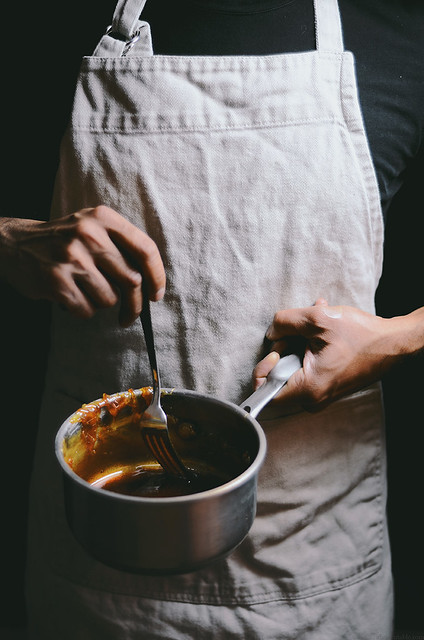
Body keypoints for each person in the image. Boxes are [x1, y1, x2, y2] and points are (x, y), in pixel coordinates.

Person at [1, 0, 423, 637]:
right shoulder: (48, 18)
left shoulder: (401, 26)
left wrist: (397, 339)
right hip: (95, 575)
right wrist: (9, 243)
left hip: (314, 569)